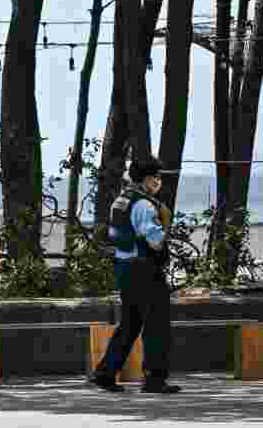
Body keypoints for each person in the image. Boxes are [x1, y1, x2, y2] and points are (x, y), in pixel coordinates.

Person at [90, 156, 180, 394]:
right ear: (146, 179)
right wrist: (165, 226)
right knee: (157, 324)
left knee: (130, 324)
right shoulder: (144, 206)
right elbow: (155, 240)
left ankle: (105, 373)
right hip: (145, 269)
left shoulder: (122, 200)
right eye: (155, 177)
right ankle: (155, 379)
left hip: (124, 267)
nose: (158, 181)